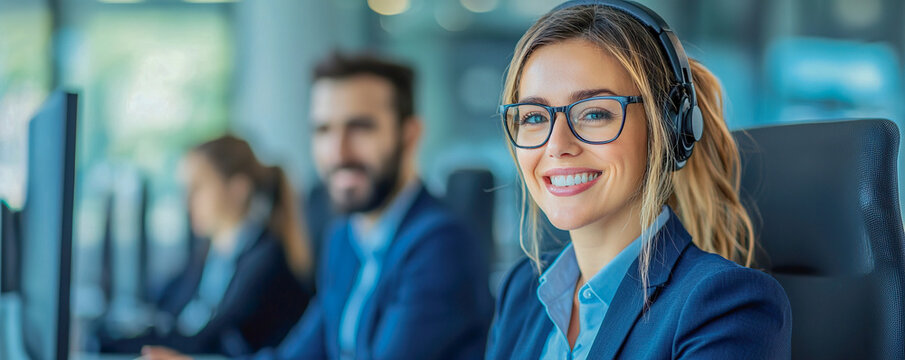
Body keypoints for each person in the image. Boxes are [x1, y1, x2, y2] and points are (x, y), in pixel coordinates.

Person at [485, 1, 793, 359]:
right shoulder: (523, 290)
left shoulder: (726, 306)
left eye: (594, 113)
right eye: (534, 117)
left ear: (665, 127)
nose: (557, 145)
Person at [144, 52, 494, 360]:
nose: (338, 152)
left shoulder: (442, 245)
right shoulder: (343, 238)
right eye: (324, 130)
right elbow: (298, 355)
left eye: (360, 128)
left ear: (410, 134)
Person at [99, 135, 313, 356]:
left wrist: (102, 345)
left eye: (198, 188)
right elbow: (171, 315)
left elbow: (208, 341)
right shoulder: (211, 254)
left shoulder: (266, 260)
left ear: (238, 190)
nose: (186, 201)